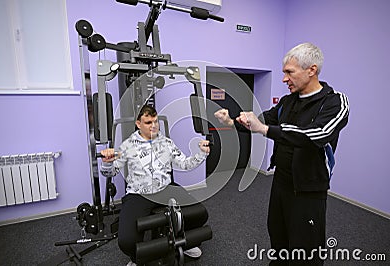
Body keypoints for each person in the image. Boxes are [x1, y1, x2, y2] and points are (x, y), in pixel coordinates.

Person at [214, 43, 349, 265]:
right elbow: (263, 119)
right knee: (278, 238)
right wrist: (232, 121)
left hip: (309, 189)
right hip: (281, 183)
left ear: (311, 70)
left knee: (306, 250)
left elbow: (314, 135)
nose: (284, 79)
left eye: (289, 72)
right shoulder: (287, 101)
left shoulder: (335, 102)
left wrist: (265, 130)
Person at [100, 105, 210, 266]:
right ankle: (137, 259)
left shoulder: (166, 143)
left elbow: (185, 164)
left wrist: (201, 153)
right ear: (138, 124)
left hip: (165, 188)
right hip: (139, 194)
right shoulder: (128, 145)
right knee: (127, 241)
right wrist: (107, 164)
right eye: (148, 122)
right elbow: (111, 172)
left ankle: (187, 243)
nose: (154, 126)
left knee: (200, 213)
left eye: (156, 121)